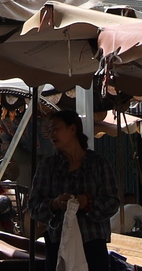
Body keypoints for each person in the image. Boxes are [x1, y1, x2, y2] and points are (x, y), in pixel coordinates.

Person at [27, 108, 120, 261]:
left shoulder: (98, 163)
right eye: (49, 131)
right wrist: (55, 204)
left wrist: (88, 202)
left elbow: (113, 202)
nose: (51, 135)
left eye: (55, 129)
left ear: (72, 129)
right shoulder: (48, 166)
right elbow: (34, 207)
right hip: (58, 246)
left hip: (92, 245)